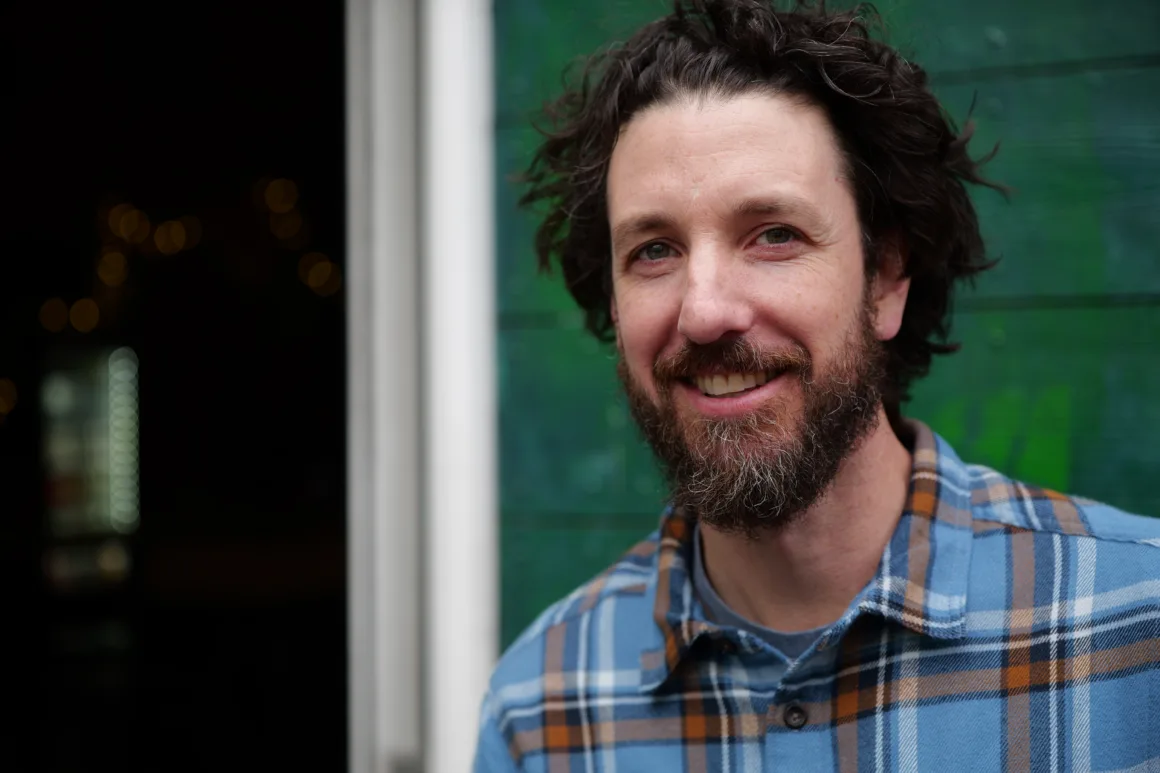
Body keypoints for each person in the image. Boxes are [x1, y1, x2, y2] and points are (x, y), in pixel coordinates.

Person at [474, 1, 1160, 770]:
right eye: (654, 249)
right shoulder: (540, 710)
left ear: (886, 278)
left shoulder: (1137, 633)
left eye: (774, 234)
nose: (703, 311)